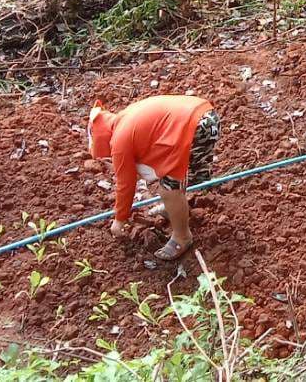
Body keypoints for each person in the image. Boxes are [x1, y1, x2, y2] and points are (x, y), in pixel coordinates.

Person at [88, 95, 220, 262]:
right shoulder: (125, 118)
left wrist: (120, 219)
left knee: (168, 191)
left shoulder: (119, 142)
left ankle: (182, 237)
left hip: (194, 127)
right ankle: (175, 210)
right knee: (177, 178)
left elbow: (126, 185)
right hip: (205, 115)